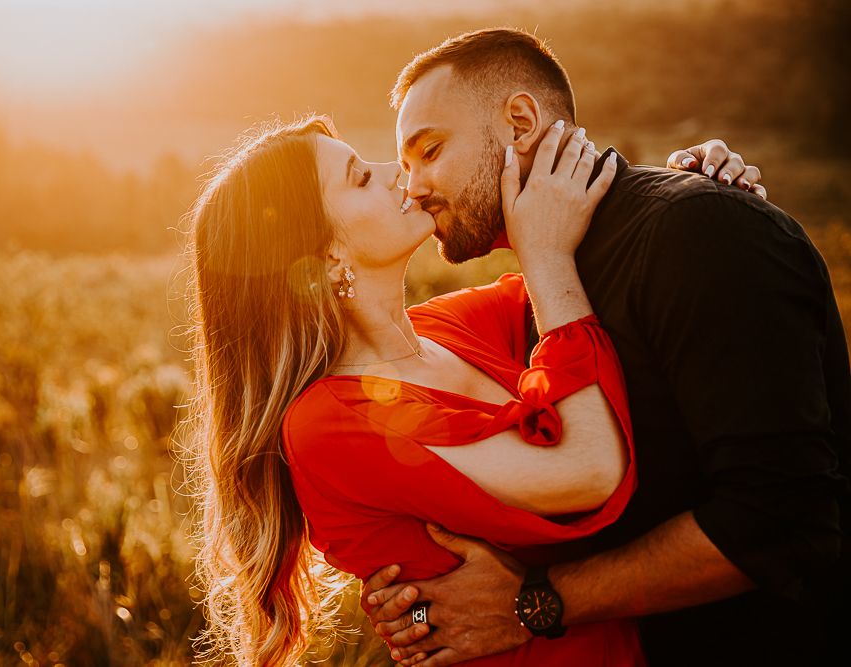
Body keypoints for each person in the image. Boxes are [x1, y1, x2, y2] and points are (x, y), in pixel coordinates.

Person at [183, 106, 765, 663]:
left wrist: (686, 195)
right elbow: (586, 471)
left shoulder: (449, 326)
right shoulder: (327, 422)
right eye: (361, 178)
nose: (397, 173)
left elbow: (583, 266)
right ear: (326, 257)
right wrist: (548, 259)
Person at [358, 28, 850, 667]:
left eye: (430, 150)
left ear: (520, 120)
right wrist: (419, 601)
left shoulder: (703, 231)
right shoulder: (548, 282)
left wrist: (533, 605)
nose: (413, 187)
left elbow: (783, 525)